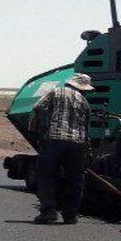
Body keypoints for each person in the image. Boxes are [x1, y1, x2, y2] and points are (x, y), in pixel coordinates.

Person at [29, 73, 94, 224]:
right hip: (78, 142)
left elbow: (38, 107)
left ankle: (48, 211)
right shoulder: (84, 101)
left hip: (55, 139)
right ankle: (70, 214)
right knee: (75, 179)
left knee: (46, 174)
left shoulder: (57, 91)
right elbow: (86, 125)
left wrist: (37, 127)